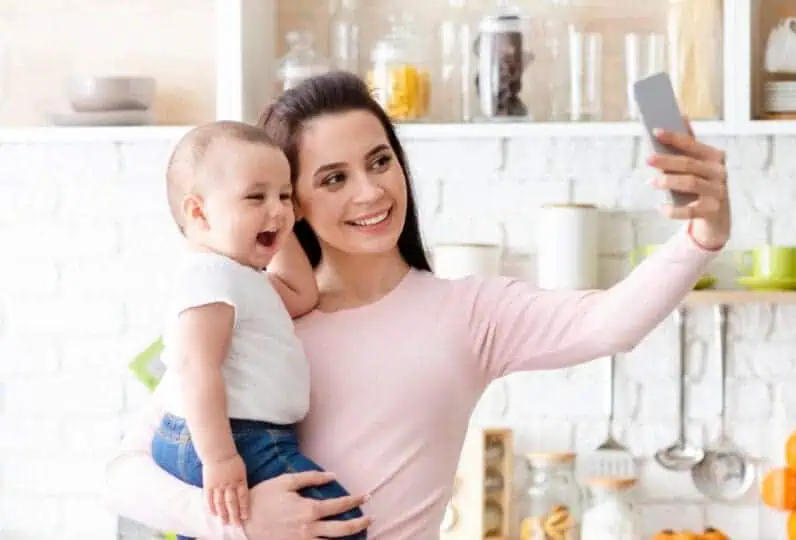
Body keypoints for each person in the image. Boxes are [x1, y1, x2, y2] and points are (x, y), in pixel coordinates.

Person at [105, 70, 732, 540]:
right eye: (333, 178)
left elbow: (610, 324)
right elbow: (127, 473)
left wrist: (701, 238)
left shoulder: (467, 314)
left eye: (381, 162)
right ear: (286, 200)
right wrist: (240, 524)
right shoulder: (253, 312)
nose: (371, 190)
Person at [150, 120, 365, 540]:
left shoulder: (239, 275)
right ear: (199, 212)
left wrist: (272, 225)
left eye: (285, 196)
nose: (281, 209)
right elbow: (198, 369)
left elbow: (301, 295)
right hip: (237, 437)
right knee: (340, 529)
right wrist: (220, 459)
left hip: (231, 434)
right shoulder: (210, 277)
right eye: (255, 196)